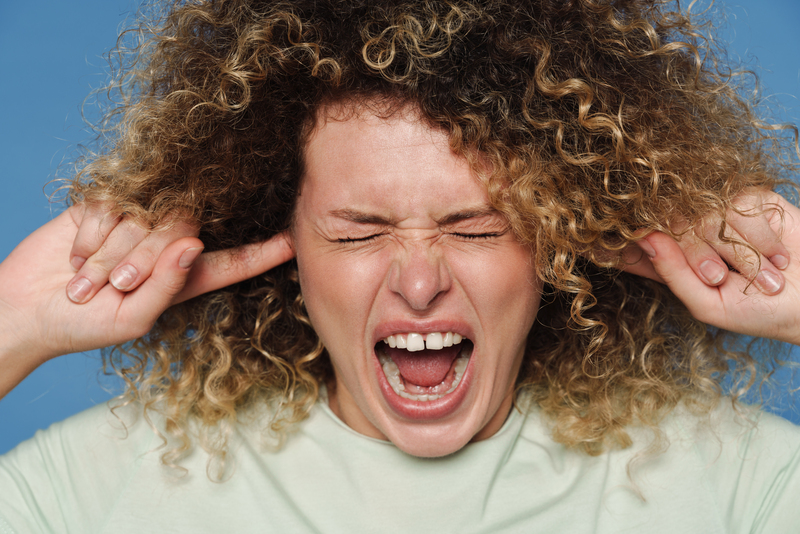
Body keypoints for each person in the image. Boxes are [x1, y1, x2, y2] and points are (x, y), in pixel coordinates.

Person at [1, 0, 800, 531]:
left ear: (557, 240)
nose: (419, 284)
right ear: (283, 242)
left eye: (477, 229)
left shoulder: (737, 484)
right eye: (358, 235)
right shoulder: (98, 486)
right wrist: (15, 319)